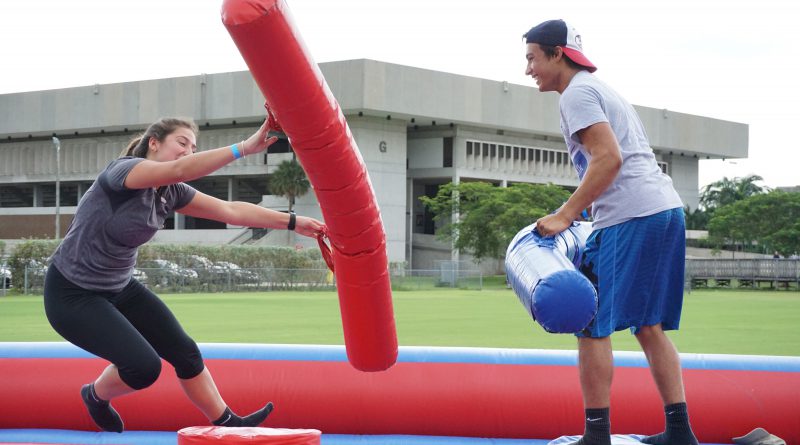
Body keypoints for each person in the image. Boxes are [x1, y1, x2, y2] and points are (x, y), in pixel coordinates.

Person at [44, 117, 327, 433]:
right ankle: (95, 395)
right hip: (72, 293)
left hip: (119, 287)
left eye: (193, 147)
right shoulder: (121, 172)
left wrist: (292, 221)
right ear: (154, 142)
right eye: (182, 143)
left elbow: (230, 210)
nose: (188, 151)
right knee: (144, 368)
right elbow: (180, 169)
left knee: (185, 352)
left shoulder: (170, 193)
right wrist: (245, 148)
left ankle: (227, 422)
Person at [523, 20, 698, 445]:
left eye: (531, 58)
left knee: (589, 321)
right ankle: (679, 432)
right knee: (648, 326)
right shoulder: (598, 89)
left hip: (633, 215)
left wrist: (566, 214)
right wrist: (588, 208)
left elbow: (608, 158)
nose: (527, 69)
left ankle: (596, 436)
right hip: (662, 210)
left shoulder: (578, 93)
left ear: (557, 53)